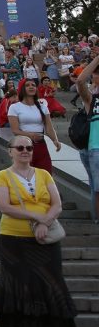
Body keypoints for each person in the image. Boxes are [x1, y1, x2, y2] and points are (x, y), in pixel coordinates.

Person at [0, 137, 78, 327]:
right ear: (10, 151)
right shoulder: (3, 175)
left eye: (29, 148)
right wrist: (36, 216)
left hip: (45, 238)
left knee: (53, 283)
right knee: (15, 285)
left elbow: (57, 204)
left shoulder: (44, 174)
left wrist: (45, 222)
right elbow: (4, 205)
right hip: (14, 237)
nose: (25, 151)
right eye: (19, 147)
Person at [7, 79, 60, 173]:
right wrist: (31, 135)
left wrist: (55, 140)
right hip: (23, 146)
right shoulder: (15, 107)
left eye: (33, 85)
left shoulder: (43, 106)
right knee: (25, 176)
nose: (31, 87)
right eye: (27, 85)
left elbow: (49, 127)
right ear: (22, 89)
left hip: (40, 145)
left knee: (45, 175)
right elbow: (15, 130)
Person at [73, 53, 99, 221]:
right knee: (97, 189)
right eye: (97, 72)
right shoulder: (91, 97)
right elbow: (80, 81)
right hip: (94, 147)